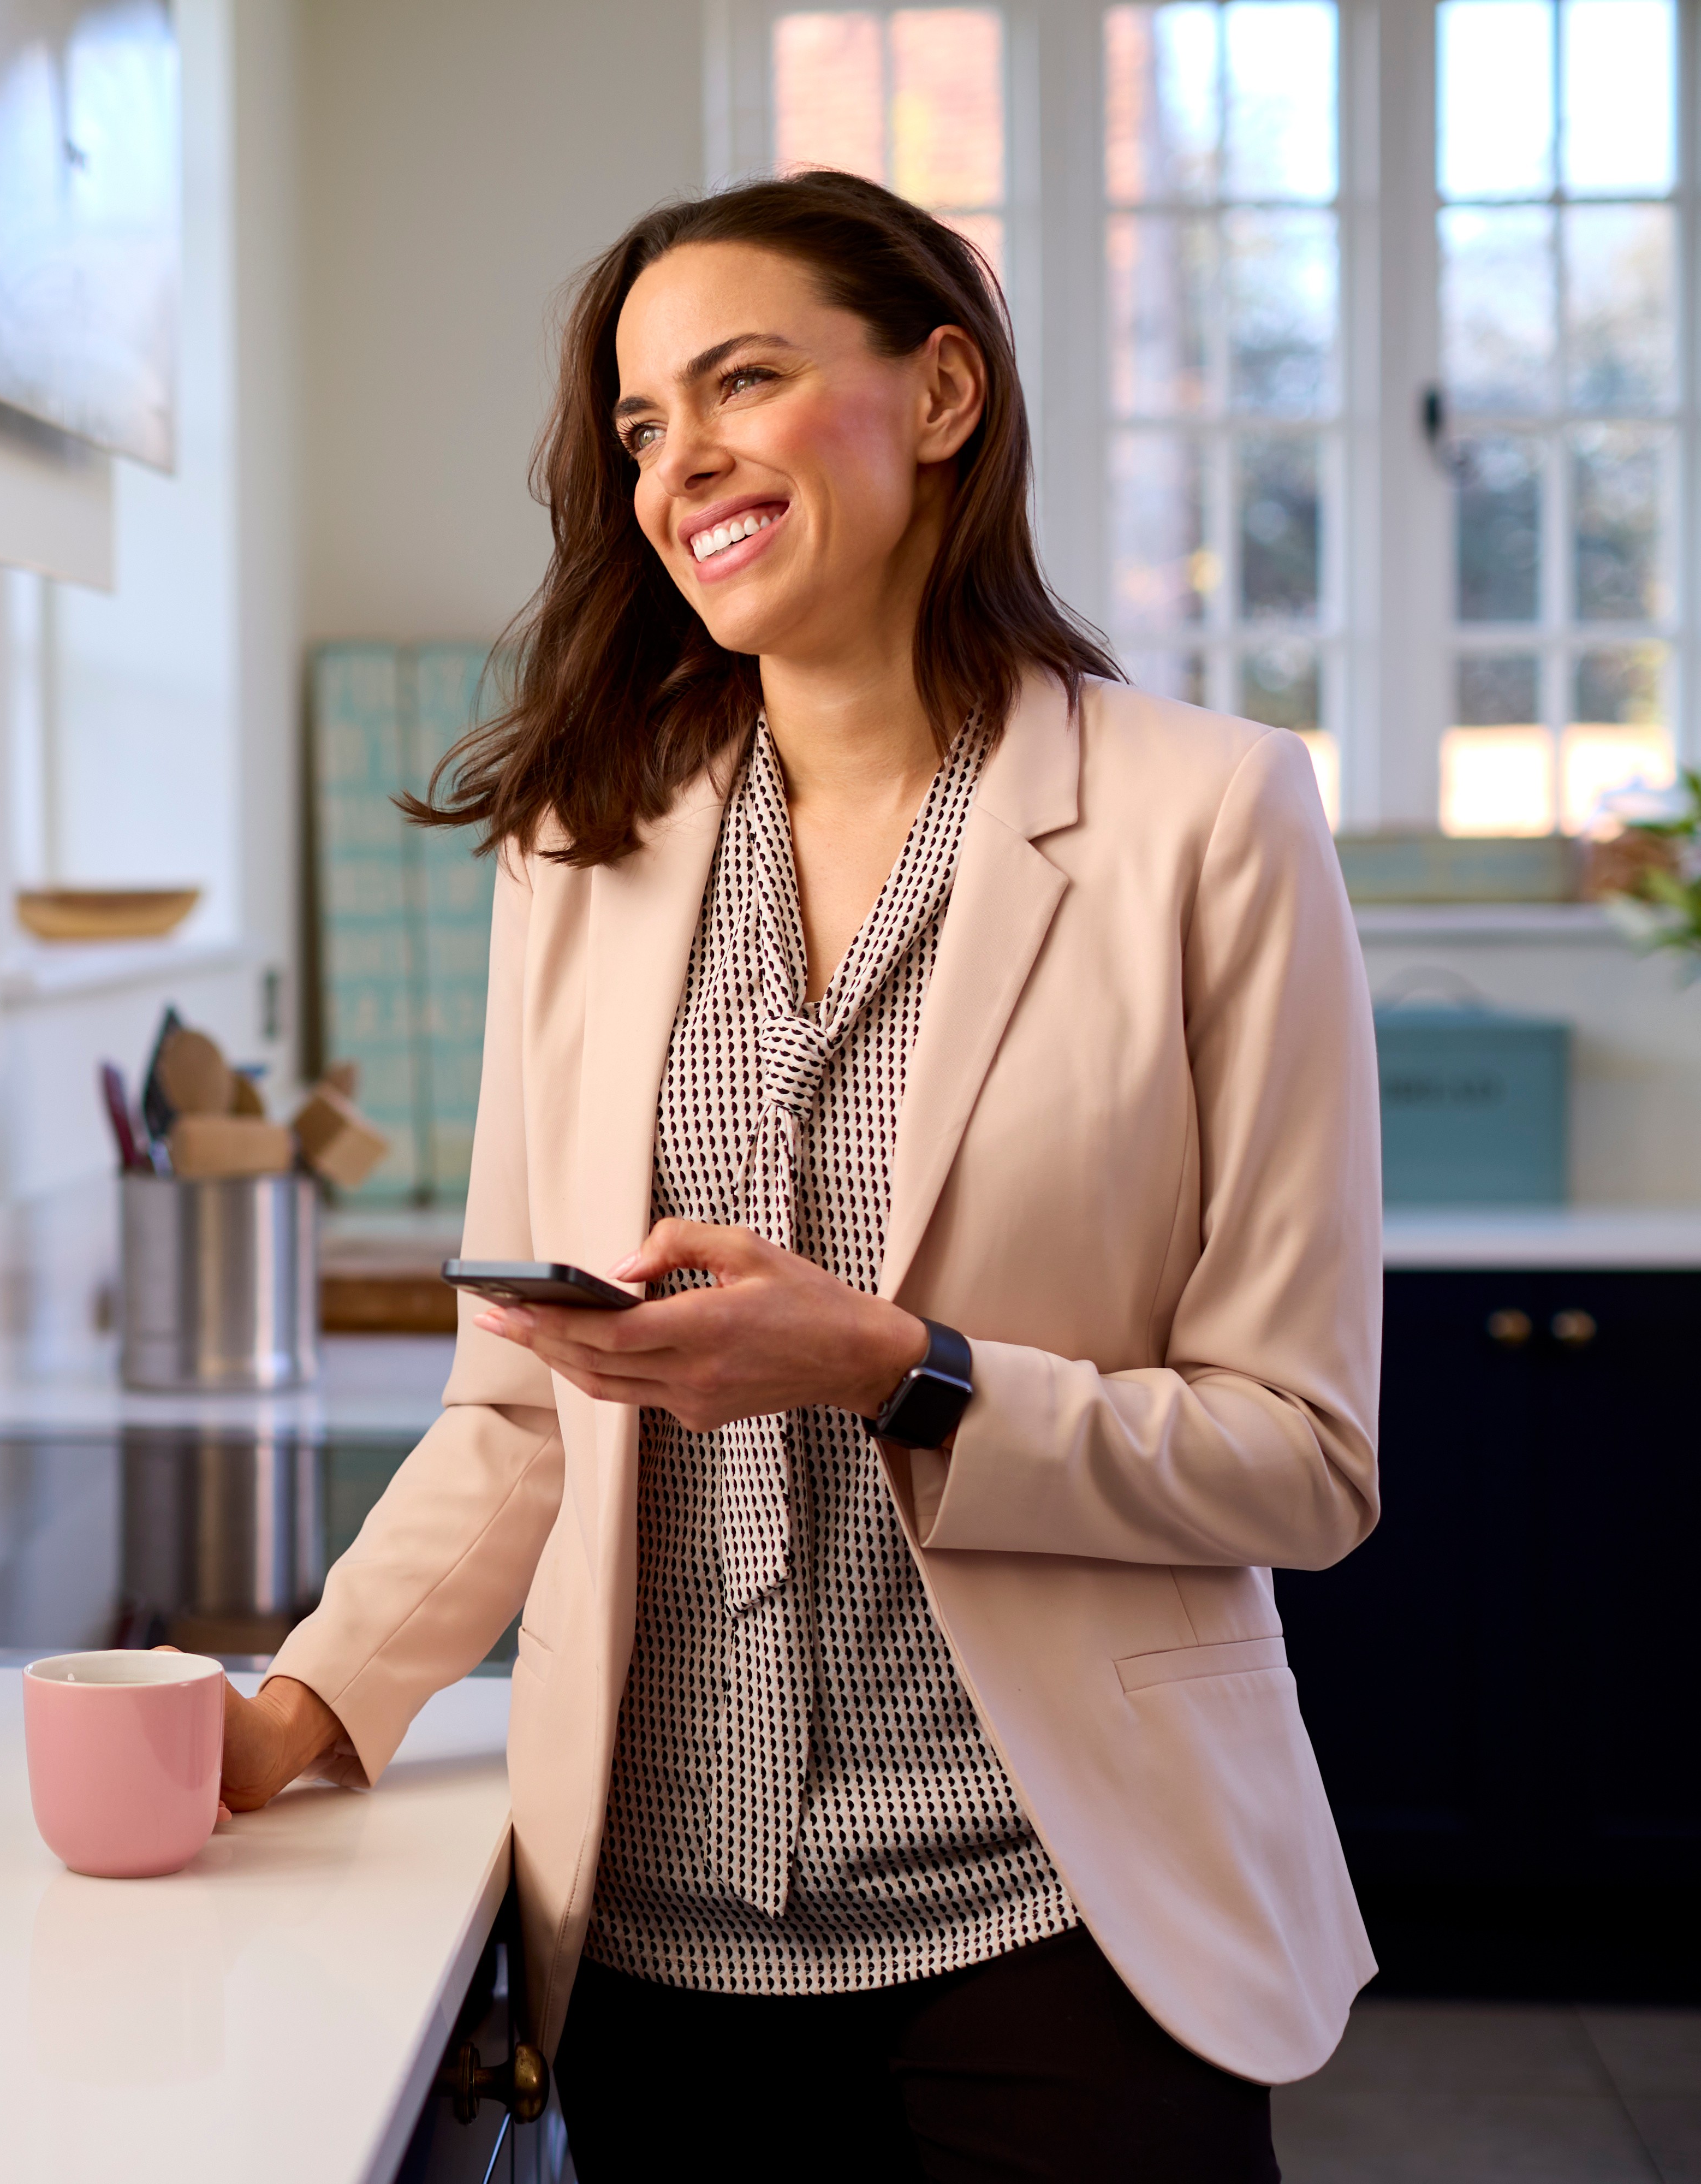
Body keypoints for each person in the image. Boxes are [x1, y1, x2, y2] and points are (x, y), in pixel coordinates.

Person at [227, 171, 1379, 2182]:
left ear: (941, 394)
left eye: (742, 383)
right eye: (642, 428)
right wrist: (308, 1708)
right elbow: (519, 1408)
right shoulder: (580, 847)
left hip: (1063, 1911)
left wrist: (900, 1368)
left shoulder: (1211, 819)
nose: (685, 468)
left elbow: (1301, 1460)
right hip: (667, 1944)